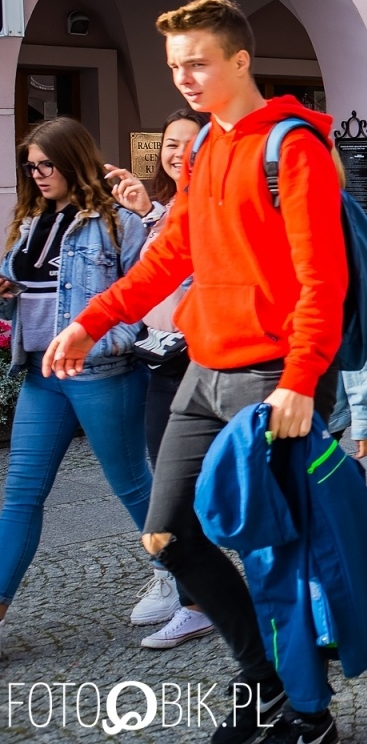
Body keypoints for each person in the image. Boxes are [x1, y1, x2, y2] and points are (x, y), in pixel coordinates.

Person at [44, 0, 352, 743]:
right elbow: (167, 259)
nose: (184, 75)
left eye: (198, 62)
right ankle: (265, 681)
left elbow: (324, 279)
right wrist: (91, 320)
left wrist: (301, 378)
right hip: (201, 371)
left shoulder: (292, 147)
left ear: (239, 61)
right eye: (176, 65)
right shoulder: (209, 148)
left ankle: (308, 714)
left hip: (267, 377)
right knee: (168, 534)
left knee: (273, 551)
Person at [0, 119, 149, 658]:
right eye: (31, 166)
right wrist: (6, 293)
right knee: (20, 493)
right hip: (42, 374)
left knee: (133, 487)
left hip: (99, 373)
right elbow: (24, 294)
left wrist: (108, 343)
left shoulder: (115, 224)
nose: (38, 175)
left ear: (73, 160)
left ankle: (192, 587)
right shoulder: (28, 221)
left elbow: (145, 296)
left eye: (48, 164)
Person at [103, 107, 217, 651]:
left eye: (188, 144)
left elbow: (191, 269)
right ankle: (193, 596)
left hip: (212, 364)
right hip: (163, 362)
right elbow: (147, 281)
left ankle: (221, 597)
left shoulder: (213, 205)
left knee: (222, 490)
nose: (177, 153)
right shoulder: (161, 210)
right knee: (169, 489)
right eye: (170, 144)